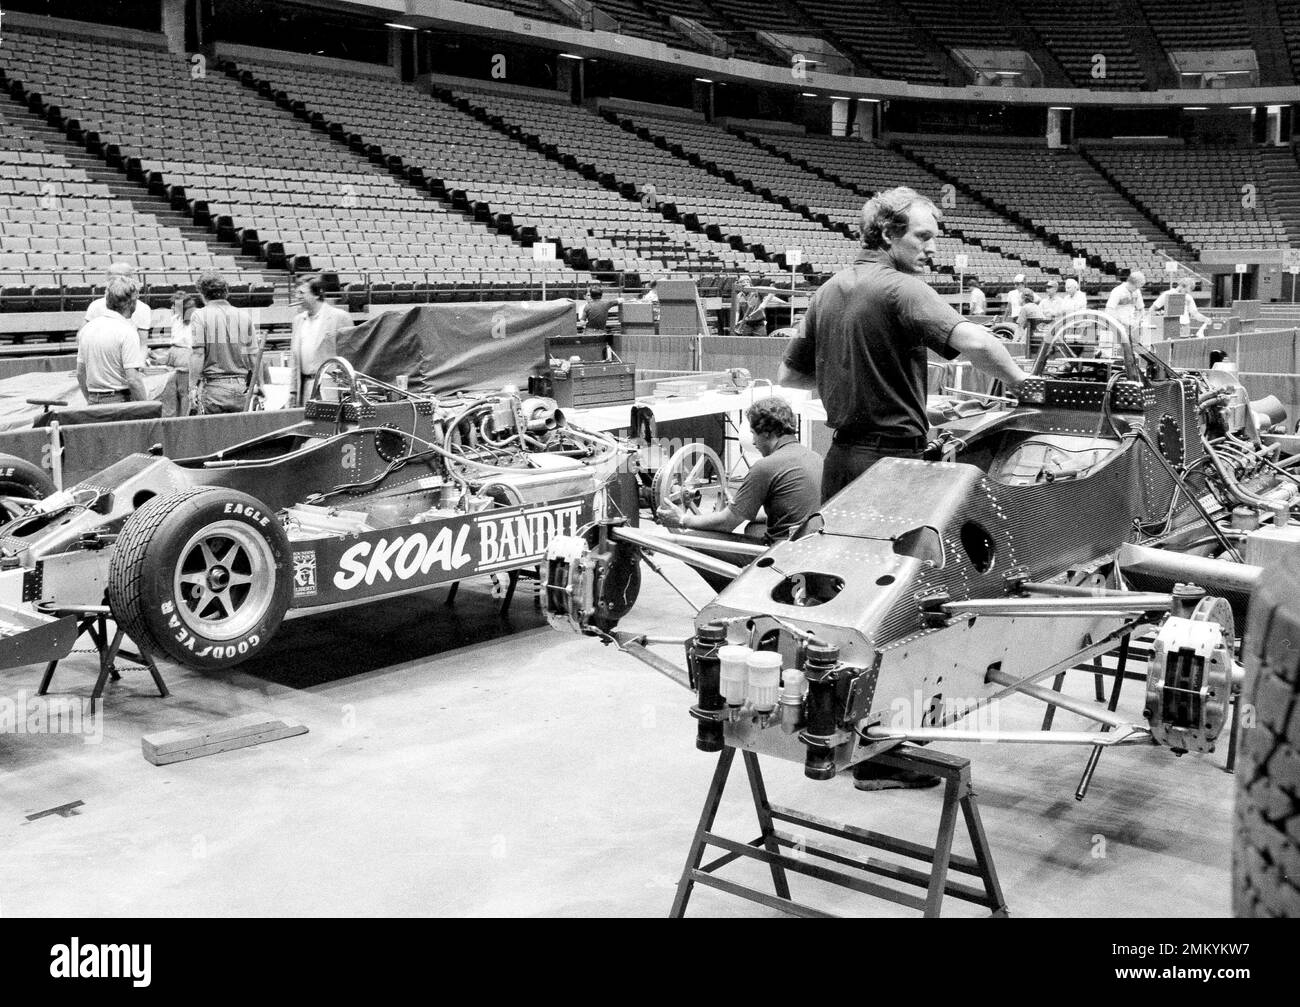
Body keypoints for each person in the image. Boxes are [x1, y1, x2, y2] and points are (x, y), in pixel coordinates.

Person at [779, 187, 1027, 791]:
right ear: (889, 234)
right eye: (924, 237)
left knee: (840, 605)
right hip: (892, 473)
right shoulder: (902, 287)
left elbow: (790, 373)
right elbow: (980, 343)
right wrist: (1026, 387)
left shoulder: (829, 290)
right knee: (896, 614)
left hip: (843, 460)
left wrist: (865, 386)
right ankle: (878, 755)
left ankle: (827, 730)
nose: (933, 249)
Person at [656, 397, 821, 545]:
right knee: (753, 528)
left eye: (753, 434)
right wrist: (743, 507)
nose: (754, 442)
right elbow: (791, 511)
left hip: (781, 555)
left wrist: (683, 519)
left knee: (689, 540)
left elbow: (727, 524)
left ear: (766, 433)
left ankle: (746, 578)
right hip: (810, 546)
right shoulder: (816, 458)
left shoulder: (765, 467)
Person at [189, 271, 261, 414]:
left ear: (202, 294)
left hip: (213, 389)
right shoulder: (244, 315)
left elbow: (198, 354)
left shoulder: (199, 315)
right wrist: (260, 384)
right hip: (242, 388)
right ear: (226, 292)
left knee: (212, 435)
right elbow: (254, 356)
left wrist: (192, 387)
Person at [76, 275, 148, 404]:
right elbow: (133, 380)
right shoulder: (127, 332)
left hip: (93, 399)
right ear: (131, 303)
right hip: (120, 401)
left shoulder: (87, 329)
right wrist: (148, 407)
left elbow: (80, 374)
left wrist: (90, 400)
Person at [288, 276, 351, 407]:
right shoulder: (298, 320)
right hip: (304, 387)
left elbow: (349, 357)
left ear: (316, 295)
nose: (297, 296)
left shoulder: (339, 317)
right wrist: (292, 391)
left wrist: (347, 390)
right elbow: (294, 359)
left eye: (301, 293)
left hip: (331, 388)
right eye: (296, 293)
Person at [85, 262, 153, 351]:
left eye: (122, 277)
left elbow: (142, 344)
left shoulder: (143, 308)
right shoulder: (96, 306)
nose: (117, 282)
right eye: (112, 278)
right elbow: (82, 336)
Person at [1105, 269, 1146, 345]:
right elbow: (1109, 310)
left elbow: (1141, 309)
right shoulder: (1117, 291)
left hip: (1131, 327)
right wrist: (1121, 323)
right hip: (1118, 326)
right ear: (1131, 283)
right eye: (1137, 287)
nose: (1138, 289)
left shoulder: (1137, 291)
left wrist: (1137, 321)